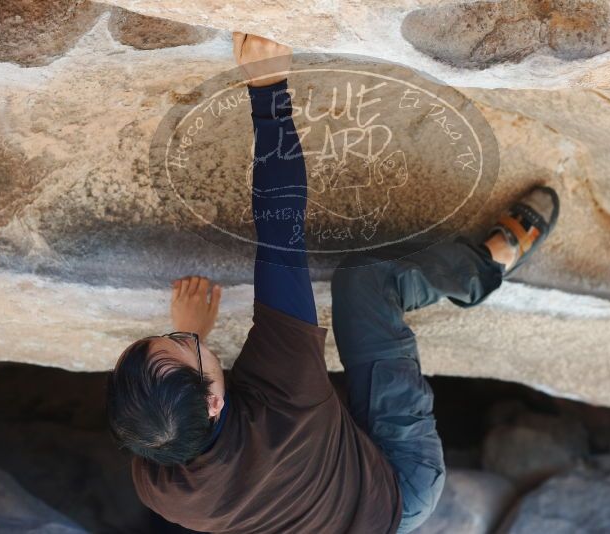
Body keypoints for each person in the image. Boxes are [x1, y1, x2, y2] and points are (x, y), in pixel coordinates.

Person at [105, 32, 559, 534]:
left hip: (328, 488)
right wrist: (268, 88)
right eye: (177, 341)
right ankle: (485, 266)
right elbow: (281, 228)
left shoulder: (158, 476)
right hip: (397, 487)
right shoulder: (285, 387)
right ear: (211, 403)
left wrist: (193, 345)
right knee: (364, 283)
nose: (178, 332)